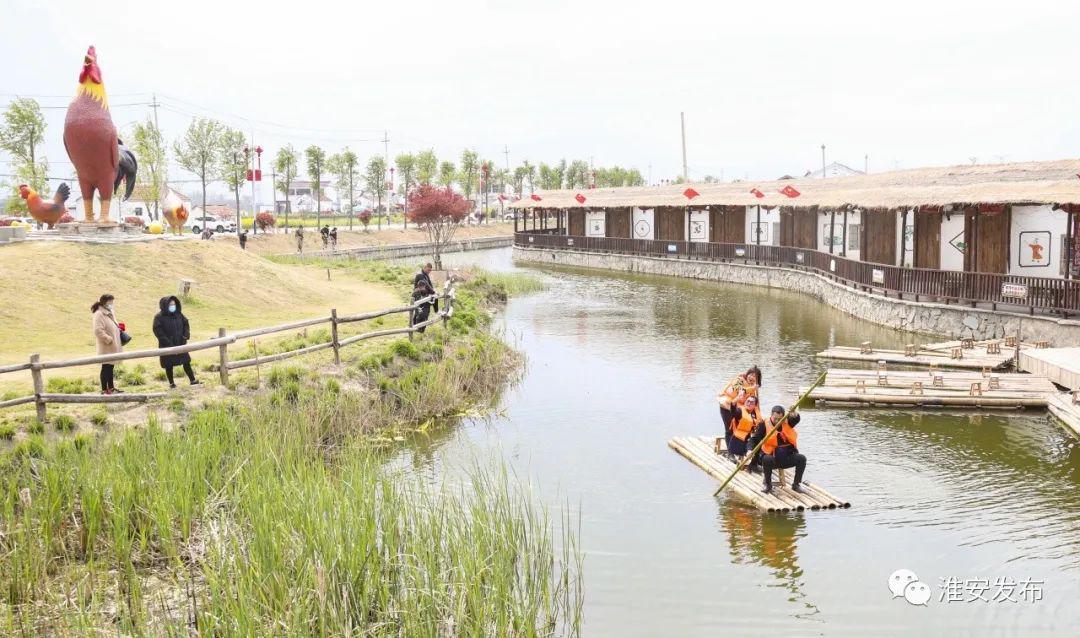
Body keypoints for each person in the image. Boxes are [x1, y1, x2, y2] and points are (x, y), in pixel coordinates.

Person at [152, 295, 200, 389]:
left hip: (180, 342)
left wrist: (185, 336)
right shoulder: (159, 317)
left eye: (174, 304)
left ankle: (192, 380)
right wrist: (167, 342)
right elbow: (157, 330)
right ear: (165, 305)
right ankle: (171, 383)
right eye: (170, 304)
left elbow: (186, 323)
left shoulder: (179, 314)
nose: (172, 306)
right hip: (167, 345)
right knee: (168, 364)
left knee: (186, 362)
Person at [760, 405, 806, 494]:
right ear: (771, 415)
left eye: (779, 419)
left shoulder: (787, 423)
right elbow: (755, 438)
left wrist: (794, 414)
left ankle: (796, 484)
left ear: (783, 417)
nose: (777, 421)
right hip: (773, 458)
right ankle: (768, 485)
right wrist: (751, 450)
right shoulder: (764, 424)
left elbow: (795, 420)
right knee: (766, 459)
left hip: (787, 458)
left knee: (802, 459)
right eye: (775, 418)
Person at [717, 366, 762, 456]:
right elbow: (739, 391)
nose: (752, 377)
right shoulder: (739, 380)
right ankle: (730, 454)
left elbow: (752, 403)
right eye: (751, 375)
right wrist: (752, 388)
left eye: (755, 377)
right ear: (747, 374)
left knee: (740, 428)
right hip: (727, 406)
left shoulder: (753, 388)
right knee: (729, 429)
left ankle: (739, 450)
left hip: (738, 409)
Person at [91, 293, 122, 394]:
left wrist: (118, 328)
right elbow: (98, 331)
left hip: (112, 346)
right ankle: (105, 390)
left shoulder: (110, 312)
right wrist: (109, 339)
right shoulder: (99, 314)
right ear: (104, 302)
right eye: (110, 302)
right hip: (106, 346)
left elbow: (112, 325)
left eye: (112, 302)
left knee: (110, 367)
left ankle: (111, 388)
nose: (111, 304)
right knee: (106, 368)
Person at [727, 395, 764, 460]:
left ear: (755, 405)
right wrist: (735, 401)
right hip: (739, 438)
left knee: (760, 442)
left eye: (751, 403)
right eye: (748, 401)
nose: (749, 404)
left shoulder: (756, 412)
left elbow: (760, 423)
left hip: (752, 436)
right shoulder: (740, 411)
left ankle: (754, 463)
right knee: (750, 447)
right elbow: (733, 411)